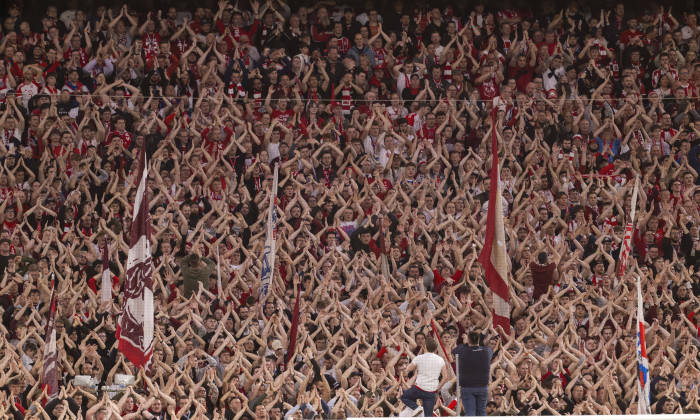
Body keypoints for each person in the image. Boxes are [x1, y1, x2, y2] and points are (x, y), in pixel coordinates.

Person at [400, 338, 449, 417]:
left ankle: (416, 408)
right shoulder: (440, 360)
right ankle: (416, 410)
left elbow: (408, 369)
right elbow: (445, 377)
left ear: (424, 346)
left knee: (404, 396)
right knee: (428, 416)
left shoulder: (419, 358)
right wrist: (438, 388)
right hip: (431, 391)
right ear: (435, 348)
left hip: (419, 388)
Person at [453, 331, 493, 416]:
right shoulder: (487, 351)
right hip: (482, 387)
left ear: (468, 341)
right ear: (478, 340)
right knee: (481, 412)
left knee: (470, 413)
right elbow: (484, 348)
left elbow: (454, 351)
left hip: (468, 388)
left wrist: (465, 344)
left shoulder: (463, 350)